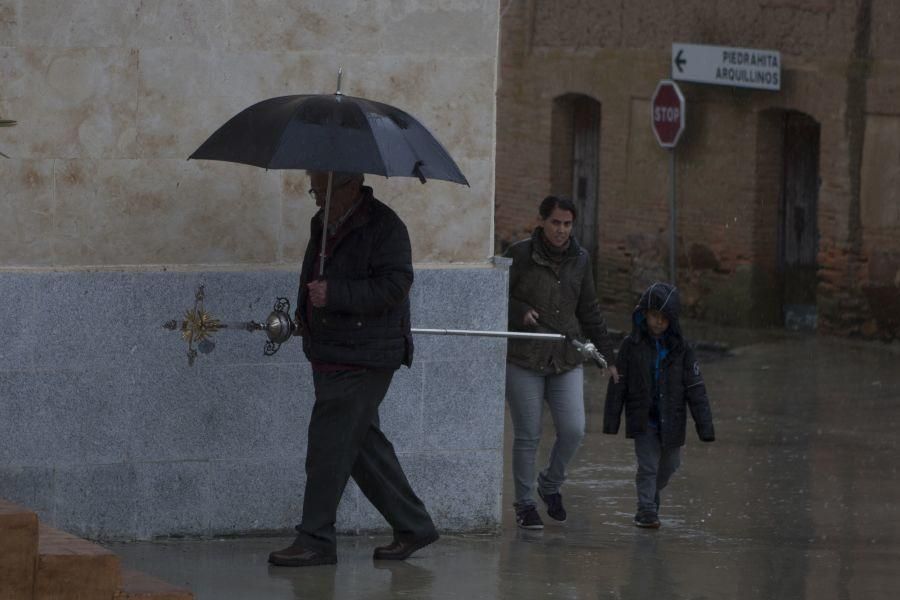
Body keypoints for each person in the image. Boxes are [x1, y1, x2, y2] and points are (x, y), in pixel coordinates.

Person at [268, 171, 438, 567]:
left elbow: (396, 286)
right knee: (360, 445)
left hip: (365, 355)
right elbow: (312, 276)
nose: (315, 198)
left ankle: (315, 539)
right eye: (313, 188)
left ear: (349, 184)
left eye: (320, 189)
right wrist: (305, 317)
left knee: (329, 443)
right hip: (331, 349)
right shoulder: (325, 221)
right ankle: (413, 525)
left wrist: (336, 293)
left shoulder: (386, 227)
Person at [504, 195, 618, 530]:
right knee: (528, 435)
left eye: (567, 224)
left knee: (574, 429)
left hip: (566, 356)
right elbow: (497, 293)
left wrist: (609, 357)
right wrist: (518, 310)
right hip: (525, 355)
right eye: (555, 222)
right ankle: (525, 504)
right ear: (541, 221)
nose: (561, 230)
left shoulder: (580, 259)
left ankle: (550, 484)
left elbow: (589, 309)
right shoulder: (520, 254)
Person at [603, 282, 715, 529]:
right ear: (644, 314)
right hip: (643, 418)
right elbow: (618, 385)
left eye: (664, 318)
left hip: (672, 418)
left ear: (672, 321)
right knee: (648, 466)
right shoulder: (630, 346)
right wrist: (612, 420)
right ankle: (646, 510)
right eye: (654, 316)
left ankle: (651, 497)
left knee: (670, 464)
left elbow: (696, 388)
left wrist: (704, 426)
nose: (658, 323)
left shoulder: (682, 350)